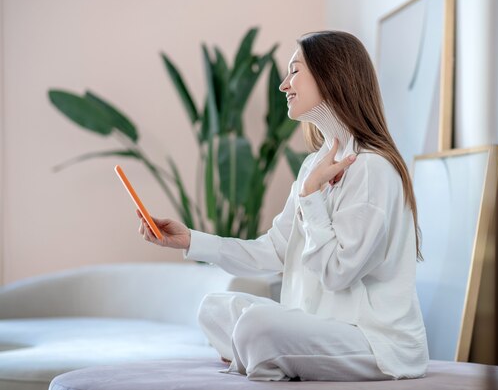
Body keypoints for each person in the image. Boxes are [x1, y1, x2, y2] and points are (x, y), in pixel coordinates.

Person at [137, 30, 429, 382]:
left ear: (330, 74)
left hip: (375, 342)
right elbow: (274, 251)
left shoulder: (371, 169)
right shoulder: (315, 165)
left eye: (295, 71)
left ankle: (262, 354)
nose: (283, 84)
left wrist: (310, 197)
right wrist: (190, 241)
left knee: (257, 326)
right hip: (322, 325)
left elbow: (337, 272)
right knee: (214, 308)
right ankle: (268, 355)